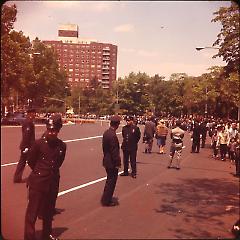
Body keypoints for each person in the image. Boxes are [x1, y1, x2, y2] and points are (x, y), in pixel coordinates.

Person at [24, 114, 67, 240]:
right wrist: (40, 173)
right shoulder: (38, 144)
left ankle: (46, 234)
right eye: (49, 129)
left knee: (48, 212)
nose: (51, 132)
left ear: (58, 130)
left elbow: (59, 163)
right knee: (32, 213)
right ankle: (29, 237)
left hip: (52, 183)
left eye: (54, 130)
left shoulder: (62, 146)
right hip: (38, 183)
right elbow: (31, 161)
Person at [101, 115, 122, 207]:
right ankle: (107, 200)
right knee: (111, 182)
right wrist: (118, 163)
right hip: (112, 162)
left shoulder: (106, 133)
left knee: (109, 180)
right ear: (117, 124)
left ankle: (105, 198)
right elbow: (114, 151)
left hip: (106, 159)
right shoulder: (113, 136)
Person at [13, 108, 36, 183]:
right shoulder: (28, 122)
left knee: (23, 162)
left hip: (27, 146)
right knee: (33, 161)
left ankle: (17, 178)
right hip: (28, 146)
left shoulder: (28, 121)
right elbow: (27, 135)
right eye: (34, 113)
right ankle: (39, 175)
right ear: (30, 113)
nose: (35, 115)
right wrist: (26, 147)